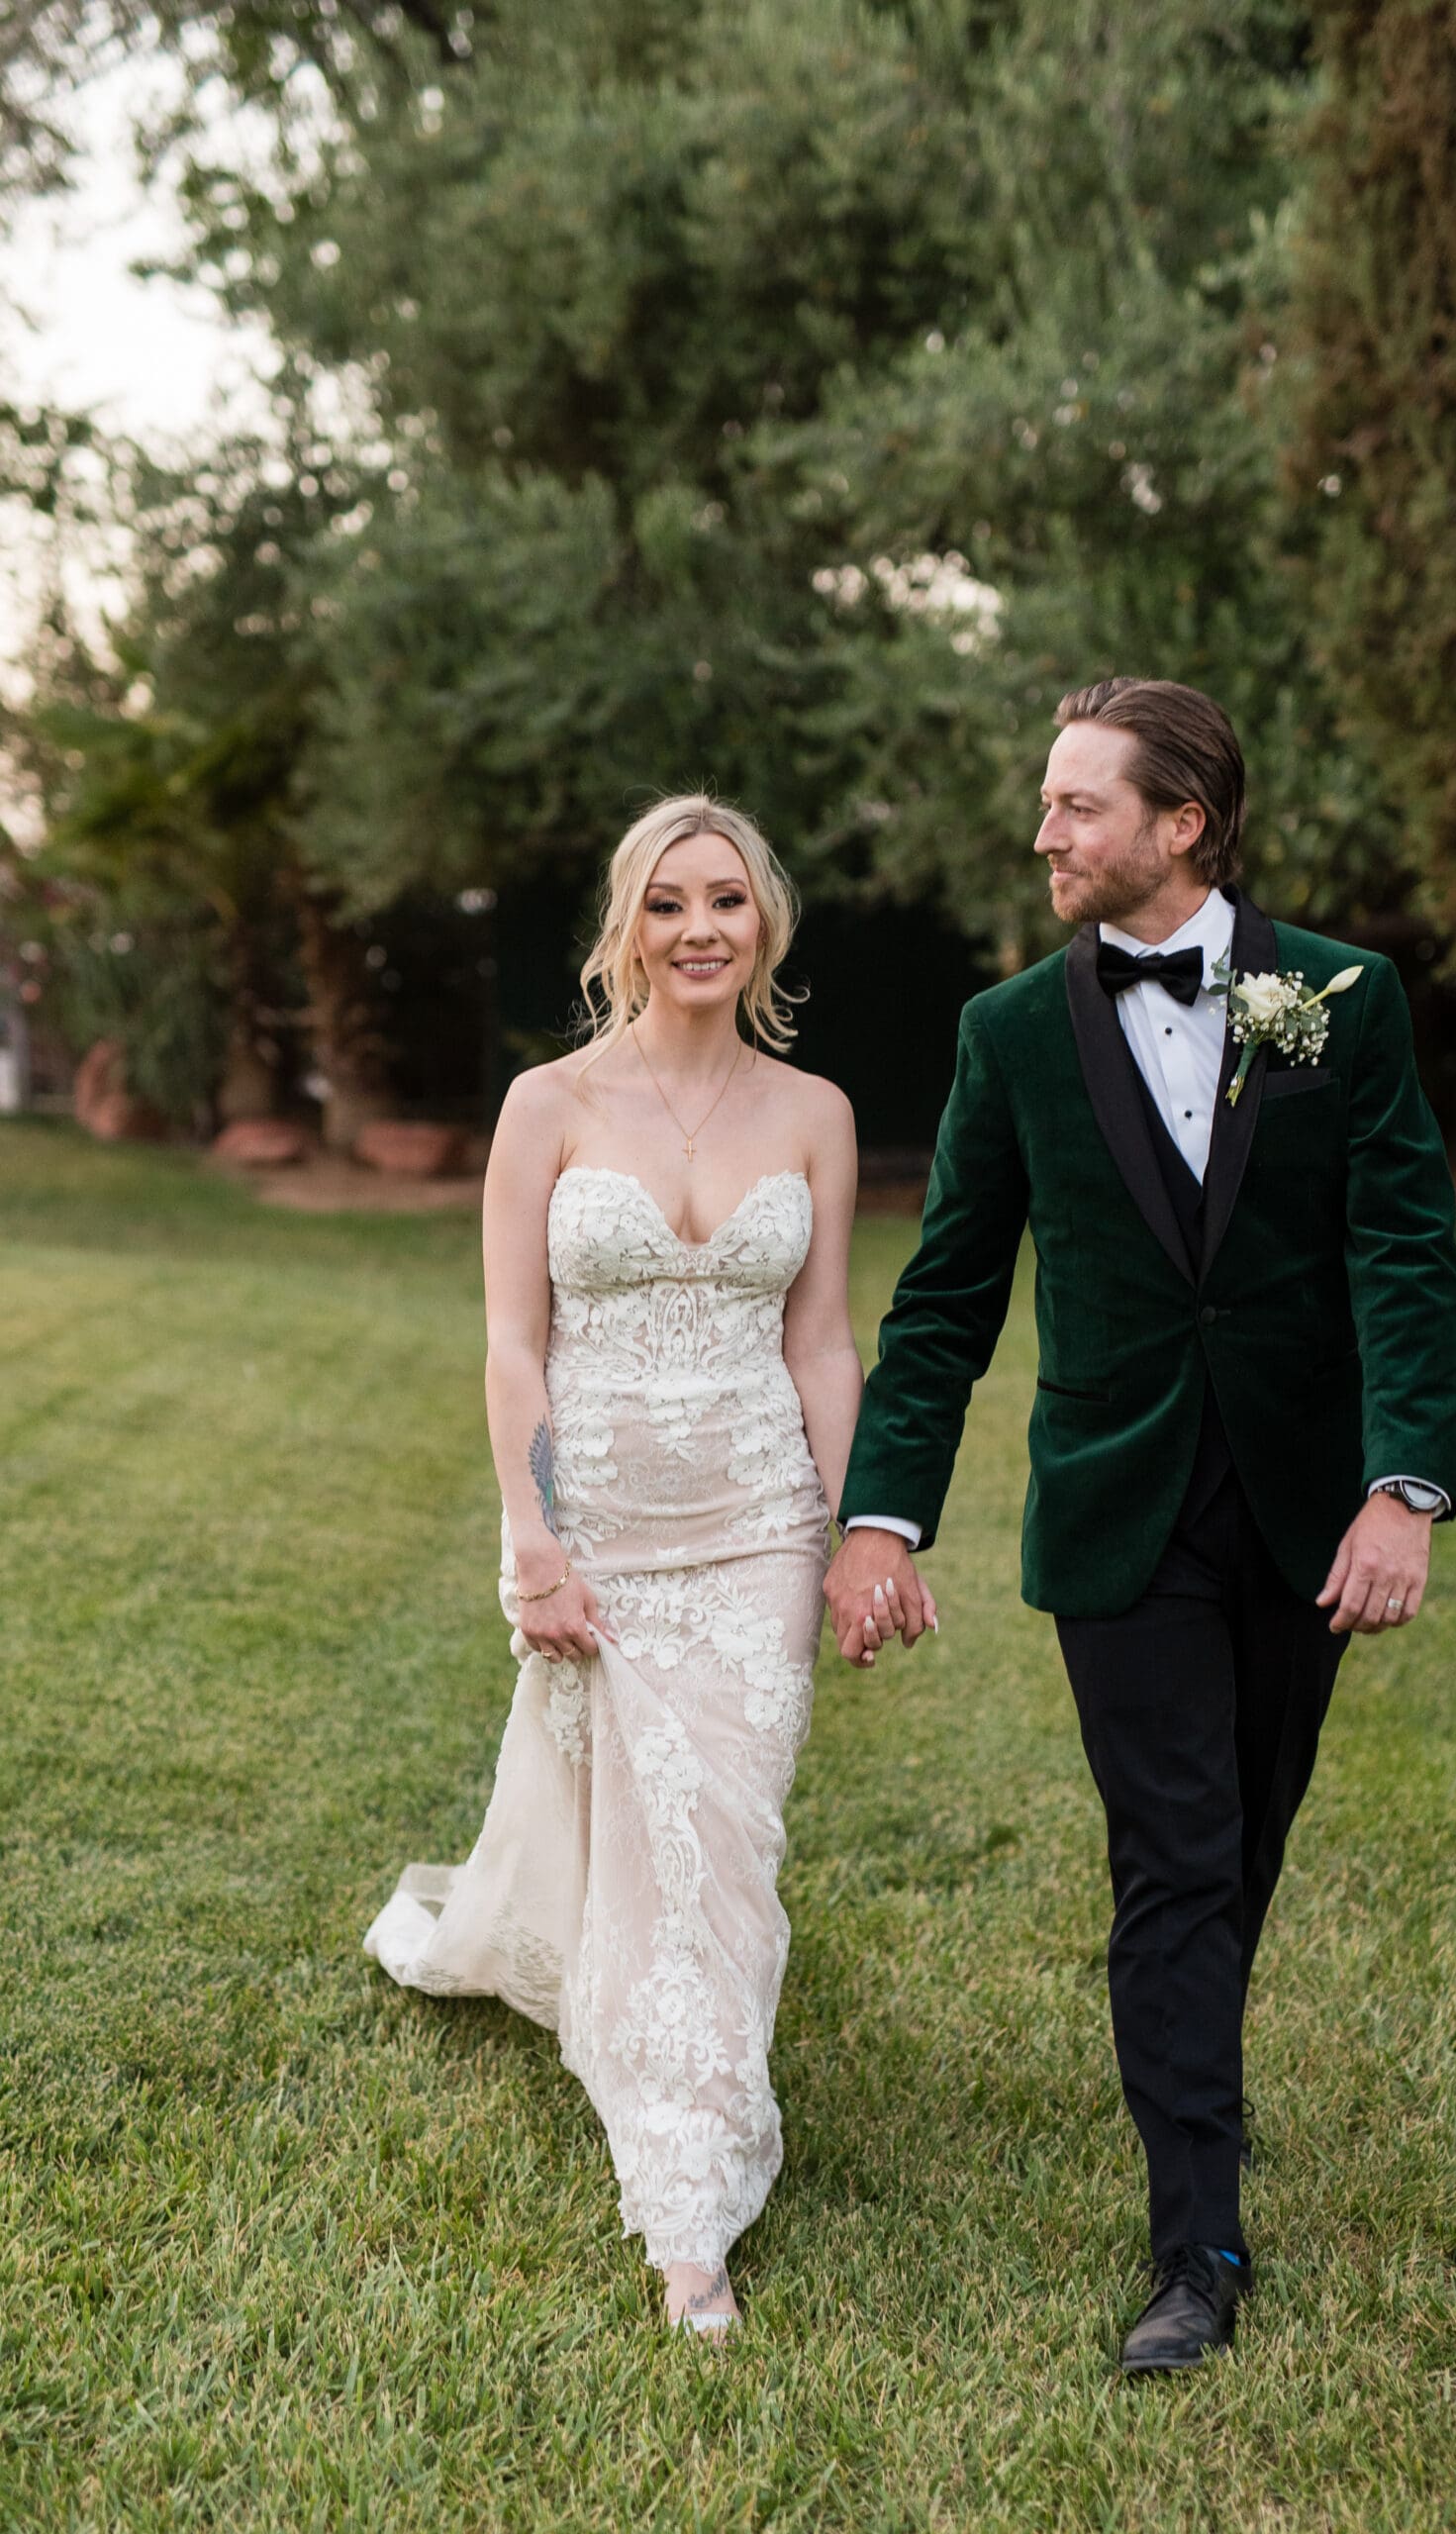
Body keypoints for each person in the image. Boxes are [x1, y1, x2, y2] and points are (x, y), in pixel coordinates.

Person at [826, 677, 1456, 2375]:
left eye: (1076, 806)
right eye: (1045, 805)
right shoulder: (1009, 1035)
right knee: (1172, 1860)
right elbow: (949, 1294)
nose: (1043, 833)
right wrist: (882, 1518)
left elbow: (1397, 1242)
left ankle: (1197, 2092)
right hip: (1117, 1512)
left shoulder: (1329, 999)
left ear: (1180, 825)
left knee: (1243, 1842)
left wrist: (1401, 1484)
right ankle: (1197, 2243)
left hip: (1300, 1504)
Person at [365, 794, 884, 2336]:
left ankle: (690, 2199)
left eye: (728, 899)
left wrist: (858, 1535)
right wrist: (533, 1537)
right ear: (627, 928)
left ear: (765, 922)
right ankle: (685, 2196)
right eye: (670, 903)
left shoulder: (817, 1114)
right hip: (597, 1518)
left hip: (757, 1526)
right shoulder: (547, 1104)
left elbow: (822, 1340)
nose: (702, 927)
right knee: (637, 1841)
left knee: (723, 1840)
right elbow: (514, 1344)